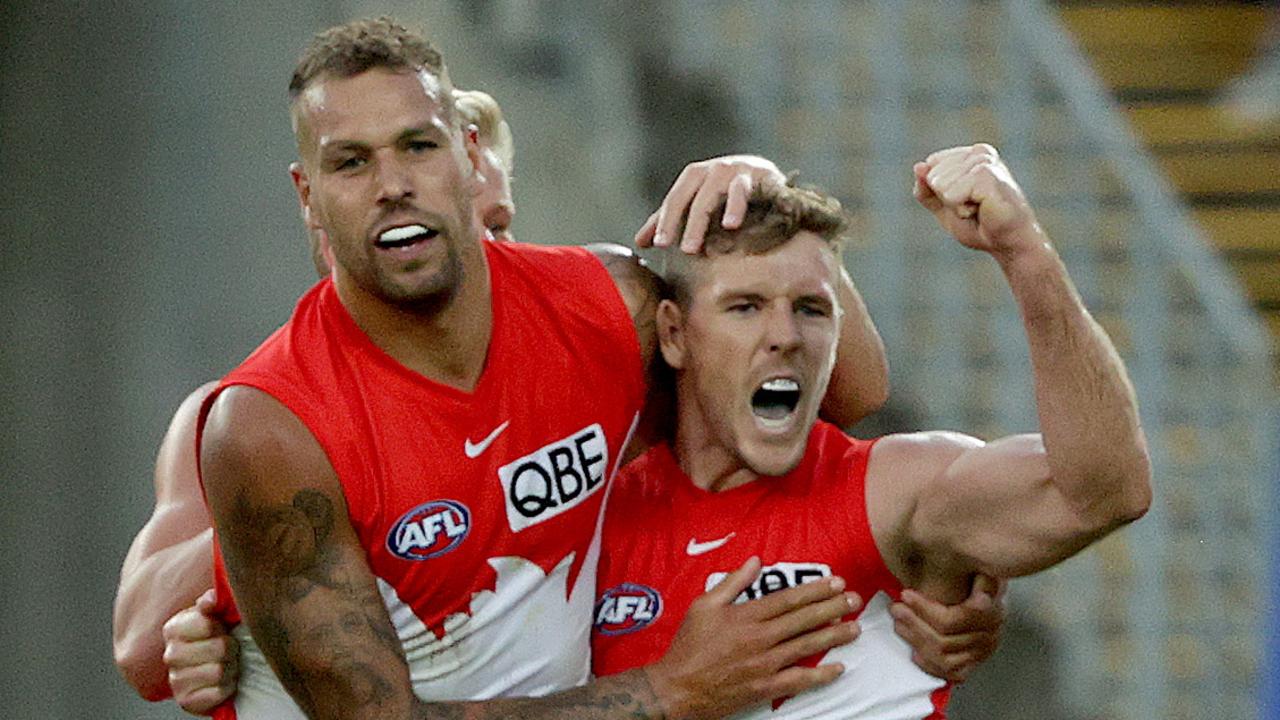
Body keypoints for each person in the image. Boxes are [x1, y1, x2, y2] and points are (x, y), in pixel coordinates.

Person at [115, 18, 1001, 717]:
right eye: (352, 163)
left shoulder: (601, 308)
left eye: (421, 150)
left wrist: (765, 195)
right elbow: (145, 644)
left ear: (470, 165)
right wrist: (227, 608)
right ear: (310, 200)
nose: (394, 187)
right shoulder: (267, 425)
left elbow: (841, 394)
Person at [591, 144, 1152, 719]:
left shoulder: (889, 491)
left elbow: (1102, 495)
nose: (785, 335)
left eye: (812, 309)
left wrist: (1026, 252)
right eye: (746, 307)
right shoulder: (587, 518)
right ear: (675, 335)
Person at [111, 86, 521, 711]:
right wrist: (279, 530)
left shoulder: (580, 359)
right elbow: (142, 643)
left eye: (497, 226)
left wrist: (730, 172)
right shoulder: (238, 421)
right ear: (327, 229)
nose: (478, 255)